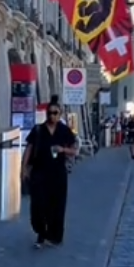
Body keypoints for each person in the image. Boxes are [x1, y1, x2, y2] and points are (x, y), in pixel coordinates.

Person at [22, 101, 79, 248]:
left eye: (55, 113)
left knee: (57, 205)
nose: (52, 116)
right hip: (39, 172)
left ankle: (53, 235)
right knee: (38, 204)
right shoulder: (38, 130)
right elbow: (29, 148)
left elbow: (74, 150)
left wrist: (62, 150)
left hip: (58, 173)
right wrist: (24, 168)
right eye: (50, 113)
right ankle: (41, 231)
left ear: (60, 115)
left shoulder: (64, 130)